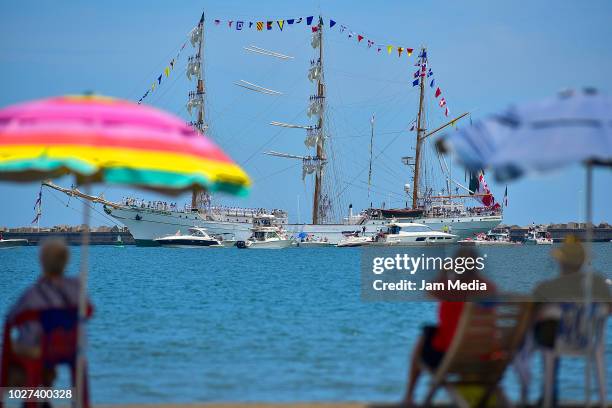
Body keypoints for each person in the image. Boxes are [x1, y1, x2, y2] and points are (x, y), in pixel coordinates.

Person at [402, 247, 496, 407]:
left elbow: (430, 291)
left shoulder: (450, 288)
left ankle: (409, 397)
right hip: (485, 357)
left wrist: (444, 272)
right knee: (429, 332)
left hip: (452, 356)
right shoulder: (489, 288)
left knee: (425, 335)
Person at [4, 239, 92, 387]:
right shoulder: (76, 287)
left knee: (21, 348)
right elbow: (89, 310)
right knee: (49, 346)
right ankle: (49, 388)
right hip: (72, 345)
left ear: (41, 261)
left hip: (39, 348)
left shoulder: (32, 293)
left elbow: (12, 318)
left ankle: (36, 395)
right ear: (66, 261)